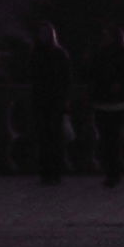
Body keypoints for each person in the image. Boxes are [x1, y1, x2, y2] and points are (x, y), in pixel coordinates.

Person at [87, 25, 124, 188]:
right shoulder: (101, 54)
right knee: (107, 139)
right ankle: (111, 171)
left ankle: (114, 172)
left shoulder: (122, 55)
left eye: (107, 35)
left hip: (115, 102)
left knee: (113, 139)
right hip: (103, 101)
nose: (104, 38)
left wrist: (120, 86)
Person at [24, 21, 73, 187]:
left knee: (51, 138)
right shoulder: (55, 54)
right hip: (47, 101)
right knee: (47, 138)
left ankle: (52, 171)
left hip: (50, 100)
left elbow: (65, 80)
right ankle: (49, 172)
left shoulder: (43, 54)